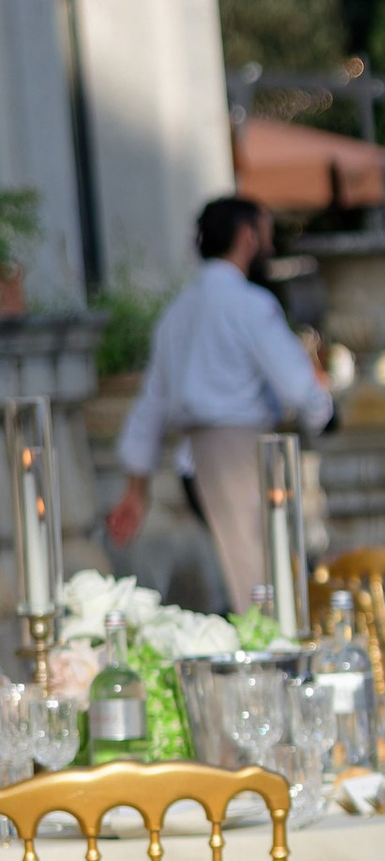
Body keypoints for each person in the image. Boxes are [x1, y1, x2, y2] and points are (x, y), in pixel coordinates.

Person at [108, 197, 335, 614]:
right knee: (263, 581)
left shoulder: (177, 312)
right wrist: (326, 416)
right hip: (240, 454)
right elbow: (297, 387)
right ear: (247, 236)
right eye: (265, 231)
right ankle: (277, 667)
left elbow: (150, 406)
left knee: (253, 574)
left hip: (196, 462)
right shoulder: (248, 304)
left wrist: (135, 488)